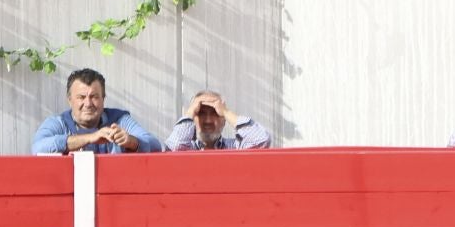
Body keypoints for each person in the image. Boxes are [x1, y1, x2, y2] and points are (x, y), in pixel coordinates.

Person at [31, 68, 163, 153]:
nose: (88, 103)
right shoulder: (58, 123)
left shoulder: (120, 120)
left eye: (94, 97)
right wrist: (91, 138)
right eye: (81, 97)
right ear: (69, 100)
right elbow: (37, 148)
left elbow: (155, 145)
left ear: (103, 99)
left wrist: (132, 142)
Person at [167, 92, 273, 149]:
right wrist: (190, 112)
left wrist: (226, 112)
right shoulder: (188, 149)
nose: (208, 120)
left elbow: (262, 140)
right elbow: (175, 146)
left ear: (224, 120)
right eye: (201, 113)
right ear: (192, 120)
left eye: (215, 113)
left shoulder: (235, 148)